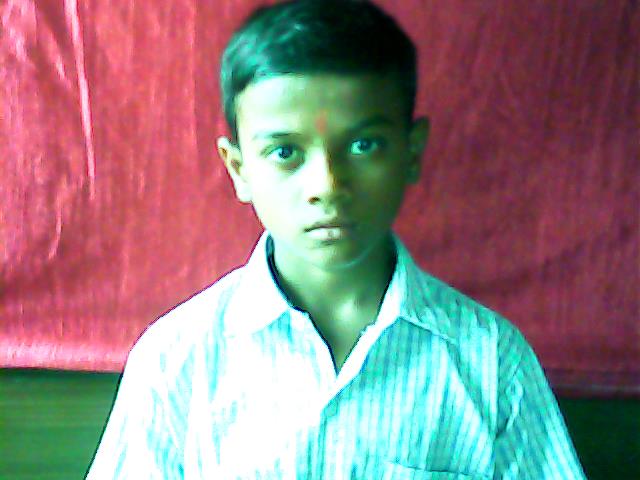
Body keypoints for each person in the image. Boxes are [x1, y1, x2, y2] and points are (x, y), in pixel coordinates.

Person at [87, 0, 586, 478]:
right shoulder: (177, 360)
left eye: (364, 145)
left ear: (412, 154)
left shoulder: (490, 361)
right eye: (286, 152)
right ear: (238, 169)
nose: (327, 185)